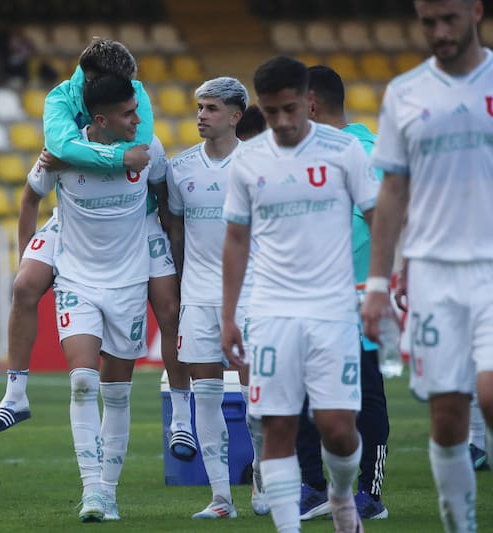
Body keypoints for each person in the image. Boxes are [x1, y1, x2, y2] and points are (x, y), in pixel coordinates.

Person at [0, 38, 195, 462]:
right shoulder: (61, 100)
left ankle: (183, 417)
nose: (134, 110)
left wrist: (178, 253)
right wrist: (27, 253)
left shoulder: (135, 106)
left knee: (171, 310)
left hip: (139, 221)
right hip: (74, 221)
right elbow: (50, 166)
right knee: (25, 285)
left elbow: (145, 160)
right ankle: (15, 394)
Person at [221, 56, 379, 533]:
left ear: (309, 101)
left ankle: (342, 494)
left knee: (337, 429)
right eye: (272, 113)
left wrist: (380, 285)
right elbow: (236, 238)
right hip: (271, 312)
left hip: (333, 310)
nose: (283, 122)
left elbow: (377, 216)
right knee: (278, 426)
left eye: (291, 109)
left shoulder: (344, 151)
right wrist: (229, 315)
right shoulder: (248, 159)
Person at [361, 0, 493, 530]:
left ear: (476, 11)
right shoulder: (405, 93)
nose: (439, 31)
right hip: (433, 272)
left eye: (449, 19)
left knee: (489, 391)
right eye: (427, 22)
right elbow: (391, 191)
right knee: (447, 417)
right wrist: (377, 282)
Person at [25, 74, 168, 522]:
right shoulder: (61, 153)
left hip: (127, 284)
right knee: (83, 381)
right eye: (129, 114)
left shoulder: (149, 150)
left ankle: (109, 491)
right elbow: (31, 194)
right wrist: (30, 253)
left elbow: (167, 200)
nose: (138, 121)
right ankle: (92, 492)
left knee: (118, 392)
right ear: (101, 120)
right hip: (77, 281)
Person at [166, 76, 269, 518]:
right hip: (198, 297)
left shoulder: (259, 163)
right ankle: (222, 498)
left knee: (257, 399)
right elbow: (175, 231)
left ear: (235, 115)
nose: (201, 115)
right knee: (205, 396)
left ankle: (262, 478)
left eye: (210, 108)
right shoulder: (180, 167)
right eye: (199, 107)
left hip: (251, 296)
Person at [296, 65, 390, 521]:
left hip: (354, 293)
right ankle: (313, 486)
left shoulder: (364, 151)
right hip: (309, 294)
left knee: (365, 390)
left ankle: (370, 492)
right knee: (300, 389)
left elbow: (373, 224)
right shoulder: (311, 153)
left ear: (310, 103)